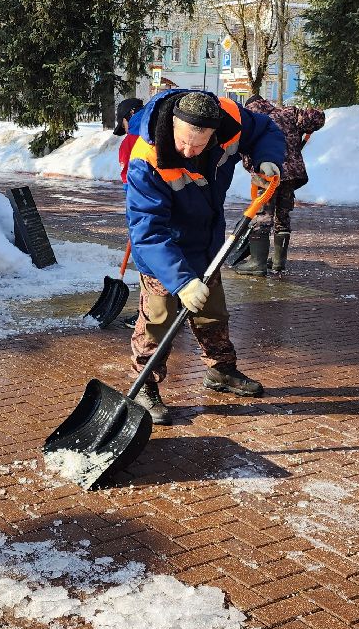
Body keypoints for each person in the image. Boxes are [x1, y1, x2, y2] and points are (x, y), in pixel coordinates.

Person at [122, 88, 286, 424]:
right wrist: (181, 281)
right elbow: (148, 231)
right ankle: (145, 386)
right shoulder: (146, 159)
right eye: (183, 142)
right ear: (171, 126)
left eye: (198, 145)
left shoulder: (231, 120)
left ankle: (220, 371)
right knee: (157, 320)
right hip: (163, 252)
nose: (187, 151)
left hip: (207, 242)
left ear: (215, 132)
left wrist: (267, 158)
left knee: (212, 311)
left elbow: (266, 130)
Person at [232, 94, 325, 275]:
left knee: (263, 215)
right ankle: (278, 262)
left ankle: (257, 263)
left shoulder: (251, 120)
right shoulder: (287, 113)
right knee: (282, 216)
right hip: (291, 174)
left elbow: (244, 153)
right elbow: (316, 118)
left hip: (266, 174)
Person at [114, 96, 145, 181]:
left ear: (131, 113)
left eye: (123, 125)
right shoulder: (158, 125)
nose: (126, 130)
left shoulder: (129, 142)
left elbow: (127, 175)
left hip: (142, 190)